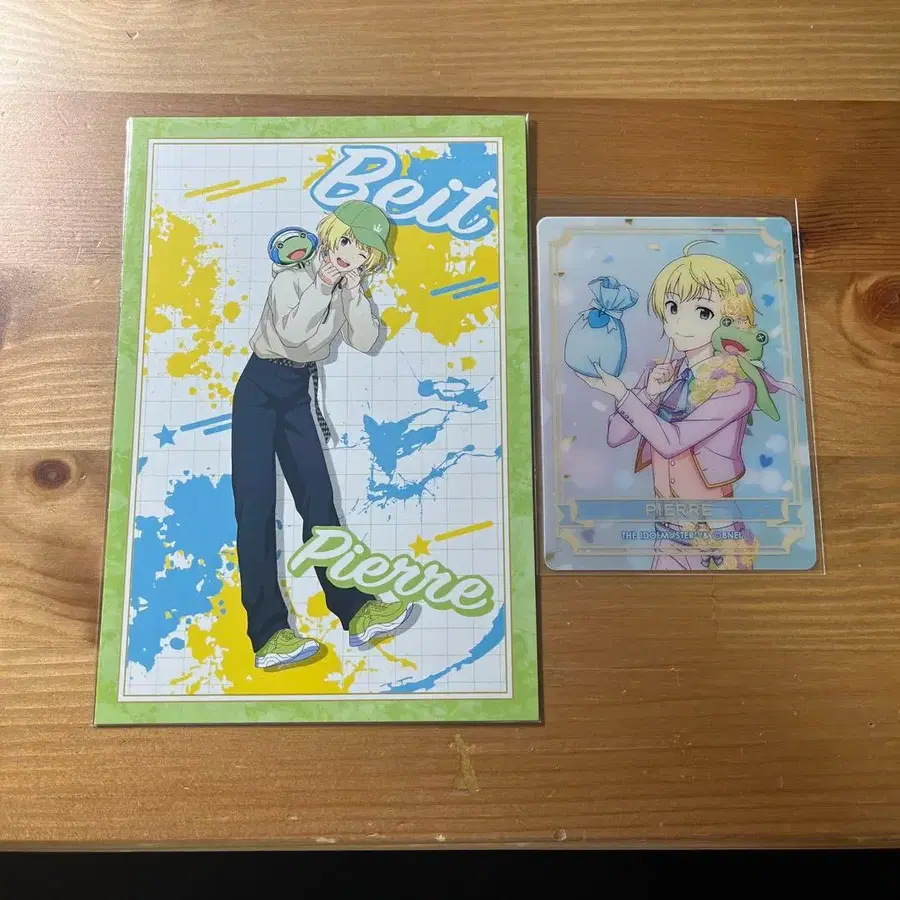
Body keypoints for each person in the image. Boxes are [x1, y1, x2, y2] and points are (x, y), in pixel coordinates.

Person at [232, 201, 412, 669]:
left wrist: (355, 293)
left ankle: (356, 611)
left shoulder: (346, 284)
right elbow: (293, 333)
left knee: (319, 503)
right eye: (347, 242)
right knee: (255, 510)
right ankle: (268, 635)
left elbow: (367, 340)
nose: (349, 256)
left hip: (297, 393)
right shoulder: (291, 275)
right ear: (331, 234)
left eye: (363, 254)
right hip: (259, 388)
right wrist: (325, 285)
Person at [579, 242, 767, 571]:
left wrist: (624, 394)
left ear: (730, 321)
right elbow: (616, 435)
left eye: (703, 312)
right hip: (667, 534)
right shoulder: (661, 372)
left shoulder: (737, 387)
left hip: (717, 536)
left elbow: (672, 442)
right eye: (672, 307)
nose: (680, 322)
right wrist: (648, 394)